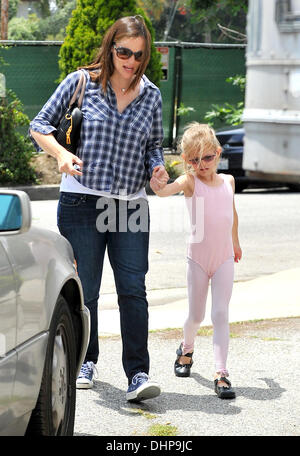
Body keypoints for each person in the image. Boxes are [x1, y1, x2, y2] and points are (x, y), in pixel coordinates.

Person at [29, 15, 169, 402]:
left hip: (130, 206)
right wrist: (59, 154)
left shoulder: (152, 95)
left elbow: (154, 144)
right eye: (124, 51)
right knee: (85, 288)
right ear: (110, 48)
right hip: (81, 200)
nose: (131, 61)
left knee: (133, 291)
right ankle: (85, 361)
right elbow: (39, 124)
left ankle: (138, 374)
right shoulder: (80, 83)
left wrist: (157, 168)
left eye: (138, 55)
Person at [151, 122, 242, 399]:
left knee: (220, 314)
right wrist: (158, 185)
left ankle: (221, 372)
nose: (202, 165)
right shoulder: (190, 182)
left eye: (207, 157)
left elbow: (232, 213)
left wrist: (236, 242)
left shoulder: (228, 181)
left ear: (218, 152)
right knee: (196, 315)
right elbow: (166, 190)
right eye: (194, 160)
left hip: (225, 257)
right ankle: (186, 349)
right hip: (198, 260)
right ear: (186, 161)